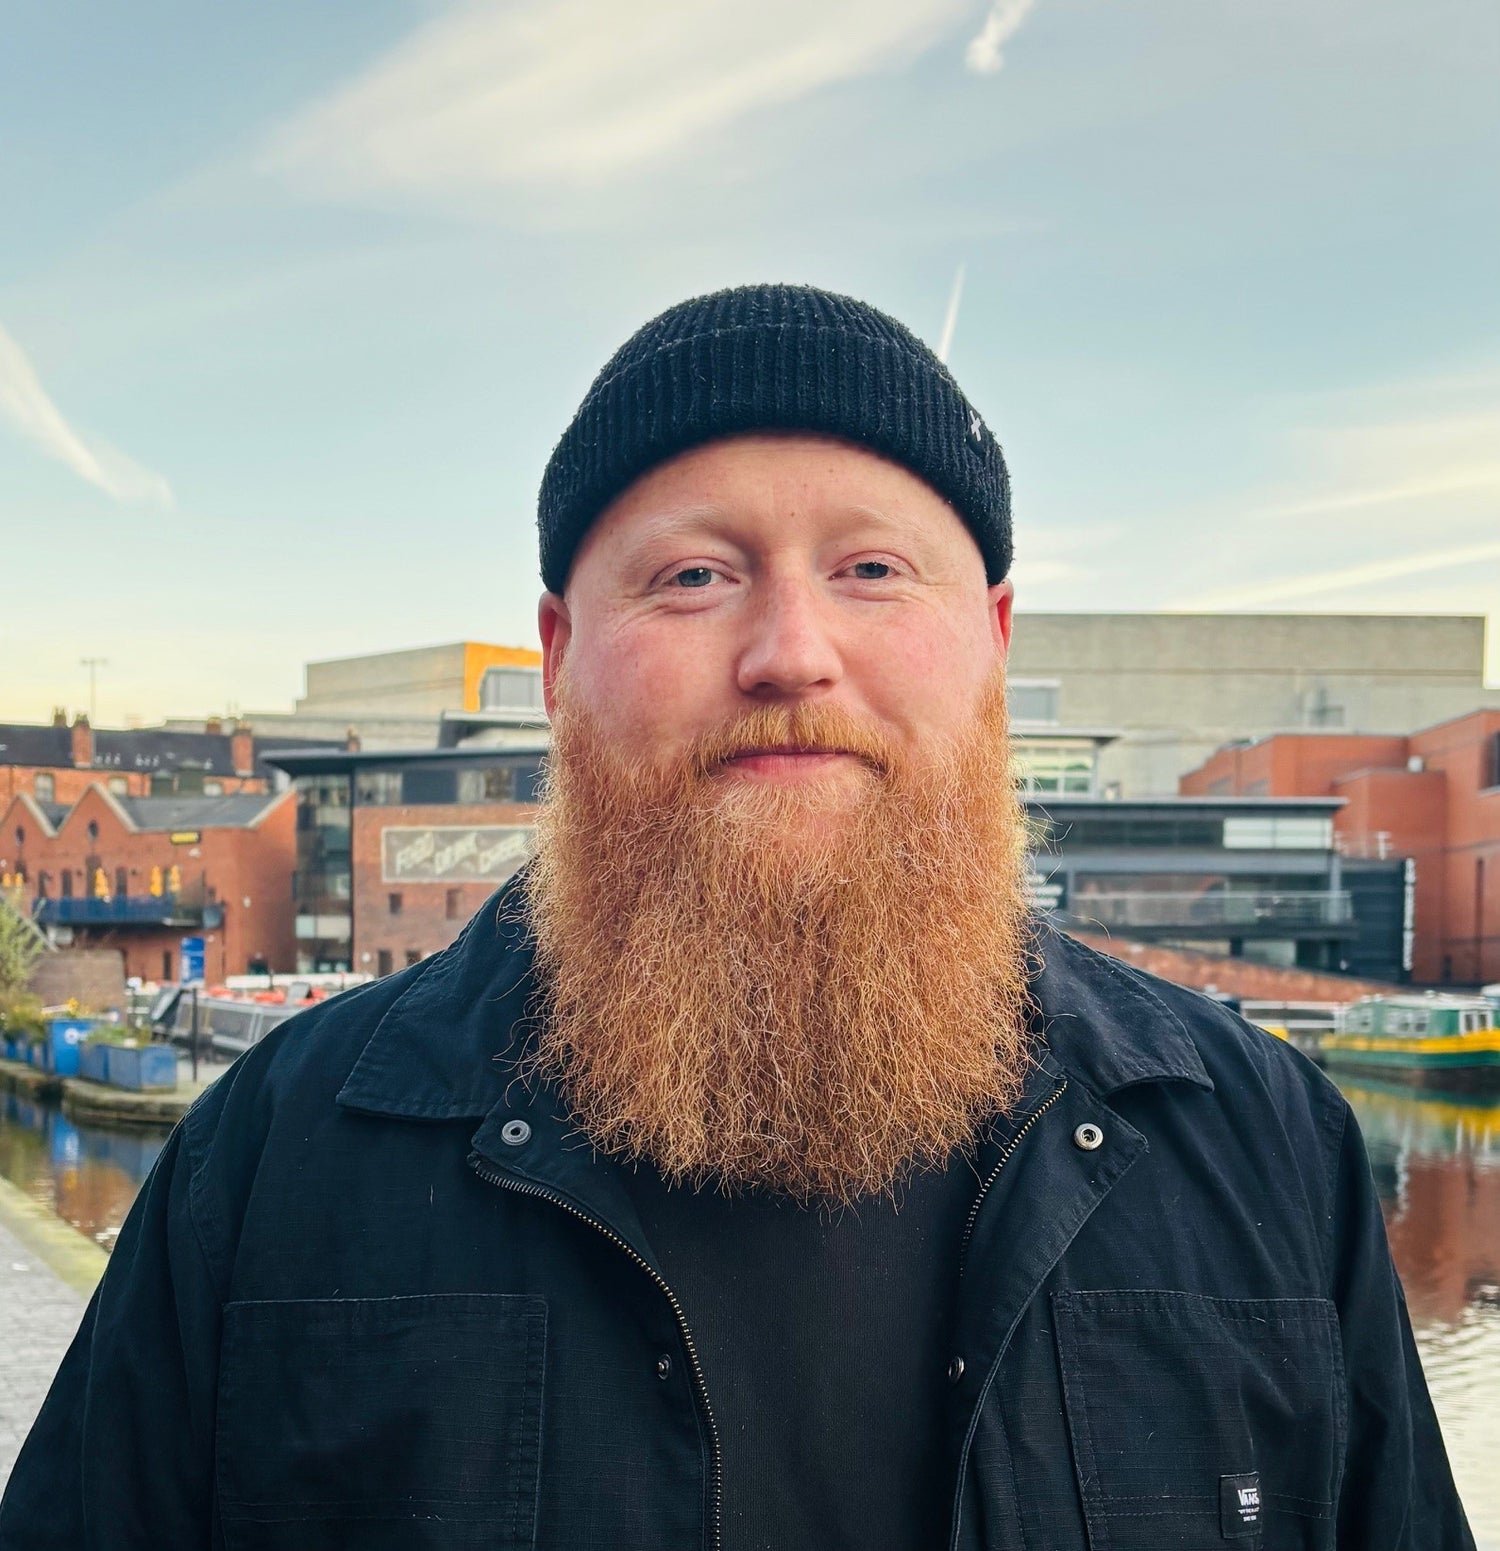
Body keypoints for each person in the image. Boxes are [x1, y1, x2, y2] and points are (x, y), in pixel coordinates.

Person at [0, 284, 1473, 1550]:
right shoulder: (272, 1163)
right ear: (563, 659)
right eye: (695, 577)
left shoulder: (1263, 1140)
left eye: (872, 570)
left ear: (994, 643)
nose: (790, 652)